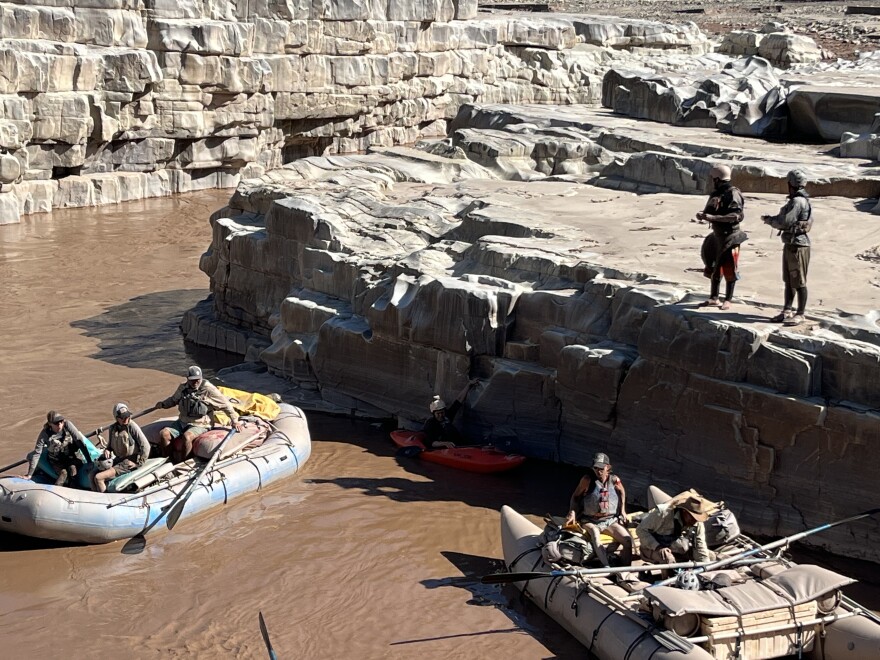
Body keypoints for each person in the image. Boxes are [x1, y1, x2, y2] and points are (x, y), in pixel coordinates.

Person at [155, 366, 242, 463]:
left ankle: (183, 462)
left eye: (197, 380)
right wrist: (163, 404)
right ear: (187, 379)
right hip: (183, 421)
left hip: (201, 423)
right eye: (192, 380)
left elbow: (226, 405)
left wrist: (235, 421)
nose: (195, 382)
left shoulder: (208, 389)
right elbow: (173, 400)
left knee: (186, 437)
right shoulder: (183, 388)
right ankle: (167, 460)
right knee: (164, 434)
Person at [564, 452, 633, 571]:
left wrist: (622, 511)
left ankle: (625, 569)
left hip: (609, 520)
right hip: (589, 520)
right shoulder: (587, 480)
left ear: (608, 467)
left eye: (601, 468)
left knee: (627, 540)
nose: (598, 471)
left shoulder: (615, 480)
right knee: (595, 533)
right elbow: (575, 497)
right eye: (596, 468)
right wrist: (572, 512)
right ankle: (606, 567)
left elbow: (622, 492)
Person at [762, 169, 813, 326]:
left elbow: (786, 221)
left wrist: (770, 221)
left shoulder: (797, 202)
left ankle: (800, 314)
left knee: (799, 280)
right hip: (791, 244)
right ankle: (787, 311)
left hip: (798, 245)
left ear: (791, 183)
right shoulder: (798, 200)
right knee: (789, 280)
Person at [696, 164, 747, 310]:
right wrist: (703, 215)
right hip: (717, 235)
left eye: (714, 179)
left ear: (718, 179)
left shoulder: (733, 194)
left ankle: (728, 299)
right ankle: (714, 297)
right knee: (714, 266)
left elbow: (735, 216)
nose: (712, 181)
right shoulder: (716, 194)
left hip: (731, 236)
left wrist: (713, 217)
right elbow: (710, 211)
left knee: (730, 267)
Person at [637, 491, 715, 567]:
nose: (694, 521)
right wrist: (658, 547)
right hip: (653, 549)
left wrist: (704, 567)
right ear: (685, 512)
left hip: (678, 550)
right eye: (692, 517)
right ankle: (667, 577)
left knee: (710, 556)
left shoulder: (697, 523)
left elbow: (700, 545)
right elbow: (640, 530)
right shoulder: (663, 513)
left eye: (696, 519)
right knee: (667, 558)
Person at [91, 403, 152, 492]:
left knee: (98, 477)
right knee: (91, 474)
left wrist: (138, 463)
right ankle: (94, 496)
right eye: (122, 417)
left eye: (127, 416)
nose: (126, 419)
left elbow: (146, 446)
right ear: (116, 418)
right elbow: (110, 446)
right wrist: (107, 450)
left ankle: (105, 500)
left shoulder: (132, 426)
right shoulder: (112, 428)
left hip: (129, 462)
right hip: (118, 460)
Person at [24, 411, 88, 487]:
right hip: (57, 460)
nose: (60, 425)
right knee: (63, 473)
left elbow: (79, 441)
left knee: (73, 469)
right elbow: (37, 453)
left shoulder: (67, 425)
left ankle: (75, 487)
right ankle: (57, 489)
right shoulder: (44, 434)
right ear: (50, 424)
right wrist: (29, 475)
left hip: (72, 457)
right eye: (56, 423)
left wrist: (89, 460)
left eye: (61, 422)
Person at [423, 378, 479, 448]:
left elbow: (459, 400)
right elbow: (431, 442)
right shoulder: (430, 424)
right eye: (438, 413)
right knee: (447, 428)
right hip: (440, 446)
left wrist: (469, 385)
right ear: (434, 414)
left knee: (449, 427)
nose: (441, 415)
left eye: (442, 412)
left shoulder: (447, 415)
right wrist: (445, 443)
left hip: (453, 444)